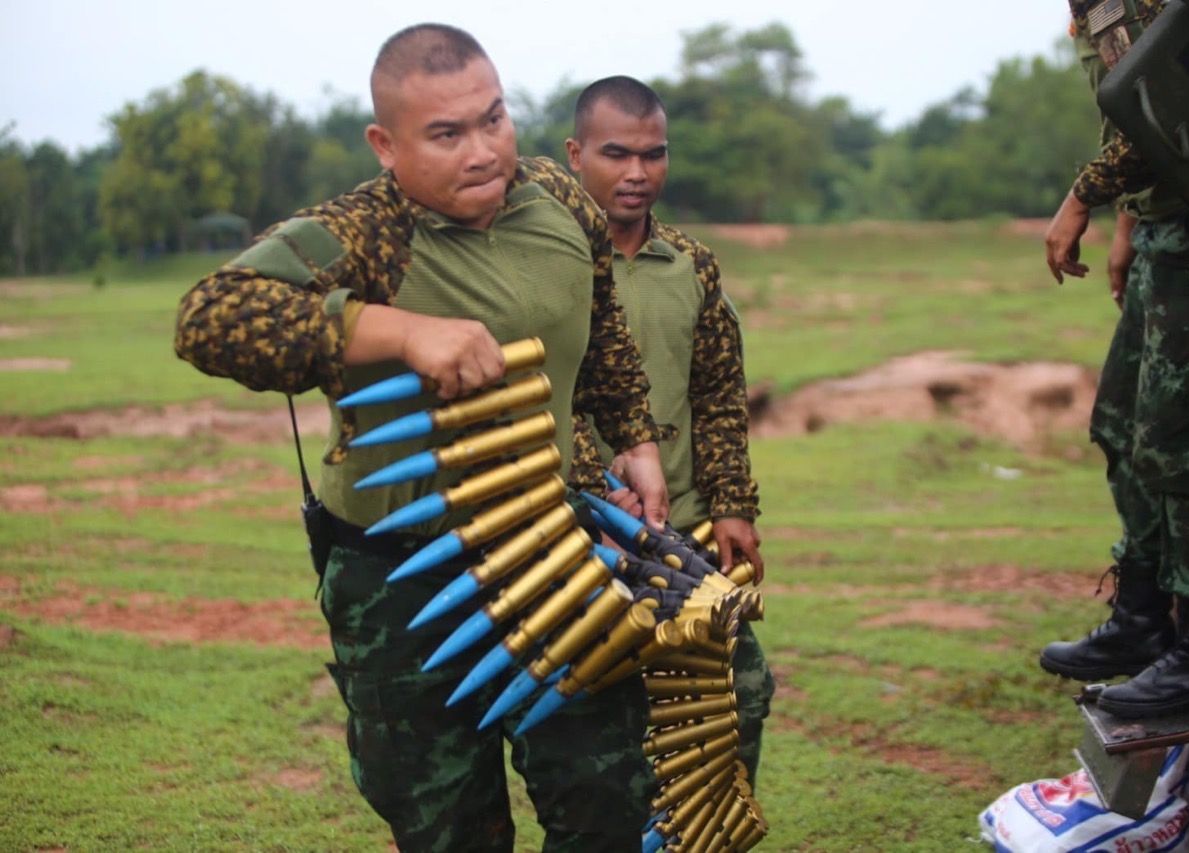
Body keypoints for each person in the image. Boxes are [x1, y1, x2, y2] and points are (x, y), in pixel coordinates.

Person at [174, 24, 670, 852]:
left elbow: (600, 311)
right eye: (446, 134)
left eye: (493, 118)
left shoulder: (555, 194)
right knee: (450, 828)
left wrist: (634, 438)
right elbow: (209, 317)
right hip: (401, 575)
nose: (482, 151)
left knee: (609, 804)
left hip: (550, 547)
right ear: (386, 145)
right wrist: (396, 331)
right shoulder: (360, 231)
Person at [1040, 1, 1189, 718]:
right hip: (1166, 224)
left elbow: (1165, 104)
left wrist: (1082, 199)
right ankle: (1142, 614)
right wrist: (1129, 223)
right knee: (1120, 426)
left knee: (1177, 447)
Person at [564, 76, 775, 782]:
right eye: (616, 154)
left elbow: (718, 395)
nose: (637, 173)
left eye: (653, 155)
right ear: (575, 155)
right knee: (594, 740)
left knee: (736, 704)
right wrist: (591, 489)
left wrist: (733, 503)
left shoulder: (690, 264)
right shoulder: (549, 266)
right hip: (578, 538)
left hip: (683, 535)